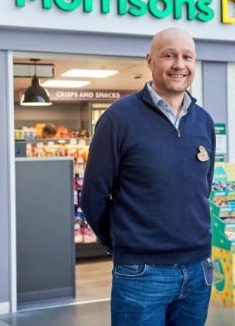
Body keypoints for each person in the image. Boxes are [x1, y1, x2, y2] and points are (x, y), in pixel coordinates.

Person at [80, 28, 216, 326]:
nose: (179, 64)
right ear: (150, 61)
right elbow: (93, 196)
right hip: (141, 273)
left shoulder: (203, 121)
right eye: (169, 55)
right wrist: (123, 244)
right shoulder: (118, 119)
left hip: (198, 271)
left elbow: (201, 188)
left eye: (187, 56)